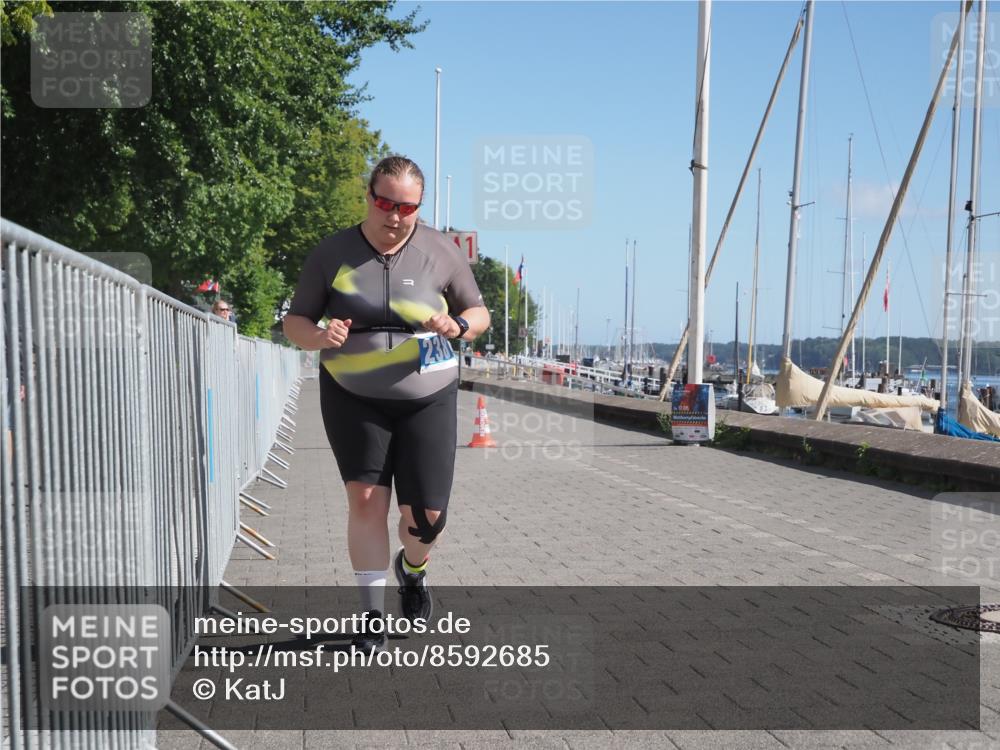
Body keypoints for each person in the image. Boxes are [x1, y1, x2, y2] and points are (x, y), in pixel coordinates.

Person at [282, 155, 488, 653]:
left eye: (407, 207)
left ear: (420, 207)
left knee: (427, 517)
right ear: (368, 195)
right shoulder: (332, 252)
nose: (394, 216)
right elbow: (295, 322)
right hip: (353, 393)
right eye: (384, 202)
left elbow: (478, 311)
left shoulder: (441, 250)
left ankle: (412, 571)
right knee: (367, 501)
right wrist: (319, 334)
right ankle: (371, 616)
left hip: (429, 393)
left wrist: (458, 326)